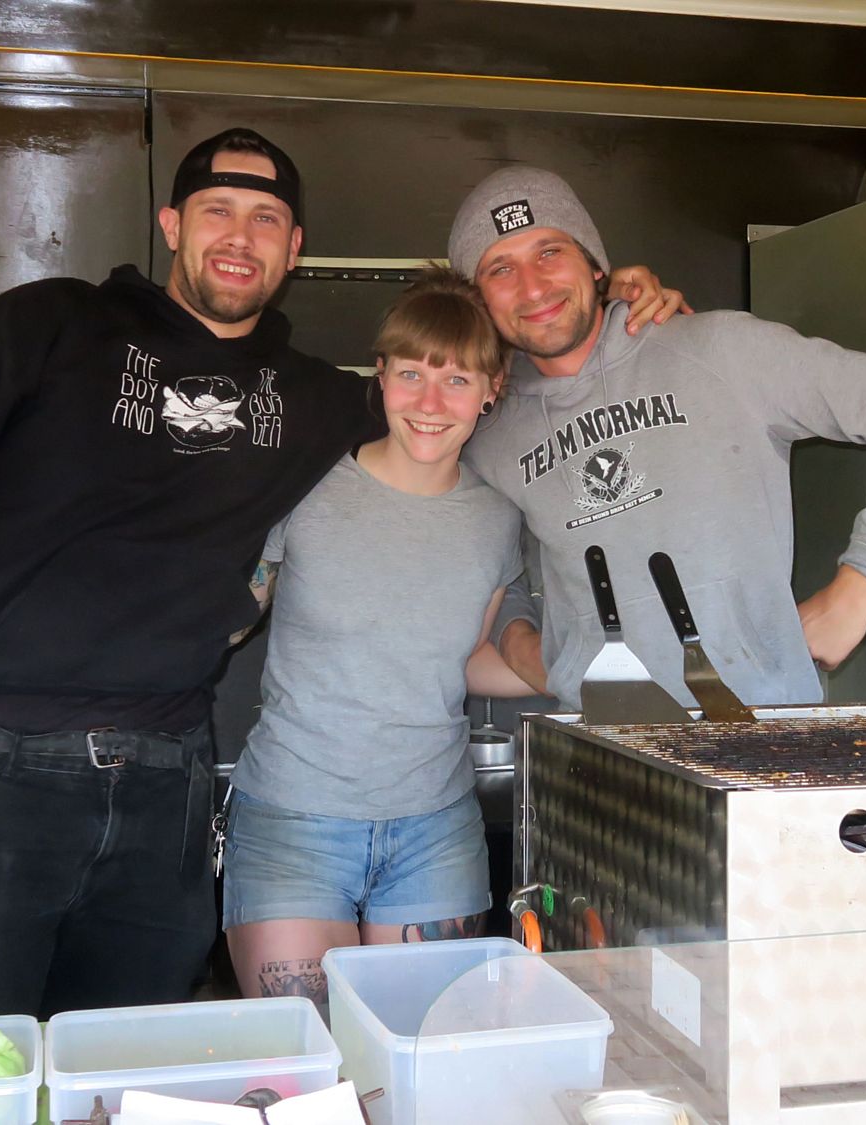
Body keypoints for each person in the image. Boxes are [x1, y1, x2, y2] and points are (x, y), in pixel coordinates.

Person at [0, 129, 685, 1019]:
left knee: (128, 1066)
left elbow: (459, 387)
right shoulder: (49, 325)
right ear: (171, 225)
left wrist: (614, 312)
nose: (239, 235)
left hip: (165, 782)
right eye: (217, 210)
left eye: (265, 218)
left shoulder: (313, 401)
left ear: (293, 247)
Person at [446, 166, 866, 710]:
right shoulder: (487, 430)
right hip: (600, 741)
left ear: (594, 263)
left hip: (762, 730)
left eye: (550, 251)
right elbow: (497, 564)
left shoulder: (720, 349)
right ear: (479, 299)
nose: (533, 286)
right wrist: (518, 642)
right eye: (500, 268)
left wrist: (859, 586)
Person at [220, 270, 534, 1005]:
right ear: (382, 374)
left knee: (421, 1053)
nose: (430, 403)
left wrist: (569, 665)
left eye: (457, 379)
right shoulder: (307, 486)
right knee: (309, 1052)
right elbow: (227, 618)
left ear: (491, 389)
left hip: (434, 829)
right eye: (411, 373)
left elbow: (467, 659)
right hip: (292, 818)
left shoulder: (497, 519)